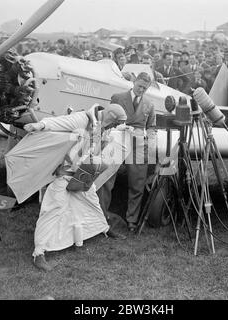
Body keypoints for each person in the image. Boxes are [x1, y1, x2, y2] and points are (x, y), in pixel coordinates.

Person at [24, 104, 129, 272]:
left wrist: (103, 145)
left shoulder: (104, 127)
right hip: (65, 174)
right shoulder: (82, 119)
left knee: (93, 202)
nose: (115, 127)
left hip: (83, 175)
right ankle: (39, 253)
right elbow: (60, 122)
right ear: (109, 115)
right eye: (115, 123)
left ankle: (104, 229)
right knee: (53, 209)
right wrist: (39, 125)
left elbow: (93, 150)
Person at [97, 72, 157, 232]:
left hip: (138, 144)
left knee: (137, 182)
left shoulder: (149, 104)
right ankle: (101, 216)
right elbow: (109, 119)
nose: (141, 90)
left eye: (144, 88)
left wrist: (150, 143)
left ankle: (132, 220)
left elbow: (151, 127)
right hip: (117, 140)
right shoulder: (117, 97)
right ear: (134, 82)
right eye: (139, 86)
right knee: (107, 178)